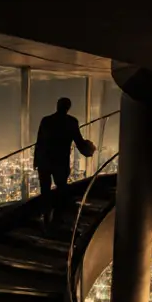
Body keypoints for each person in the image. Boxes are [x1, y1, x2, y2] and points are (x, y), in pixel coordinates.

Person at [33, 96, 95, 228]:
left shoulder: (46, 120)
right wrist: (88, 149)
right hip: (60, 161)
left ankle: (46, 218)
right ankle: (57, 218)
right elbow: (78, 141)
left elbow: (39, 142)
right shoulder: (71, 122)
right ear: (68, 108)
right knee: (61, 189)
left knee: (45, 190)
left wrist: (36, 160)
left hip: (44, 160)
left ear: (57, 106)